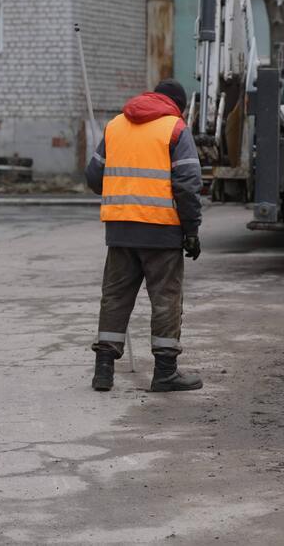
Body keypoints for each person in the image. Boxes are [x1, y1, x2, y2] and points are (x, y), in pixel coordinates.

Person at [85, 79, 204, 393]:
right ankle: (165, 373)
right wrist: (191, 230)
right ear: (177, 105)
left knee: (115, 298)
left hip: (120, 231)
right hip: (162, 232)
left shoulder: (115, 126)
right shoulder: (175, 128)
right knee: (165, 300)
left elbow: (94, 177)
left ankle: (103, 372)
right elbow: (188, 184)